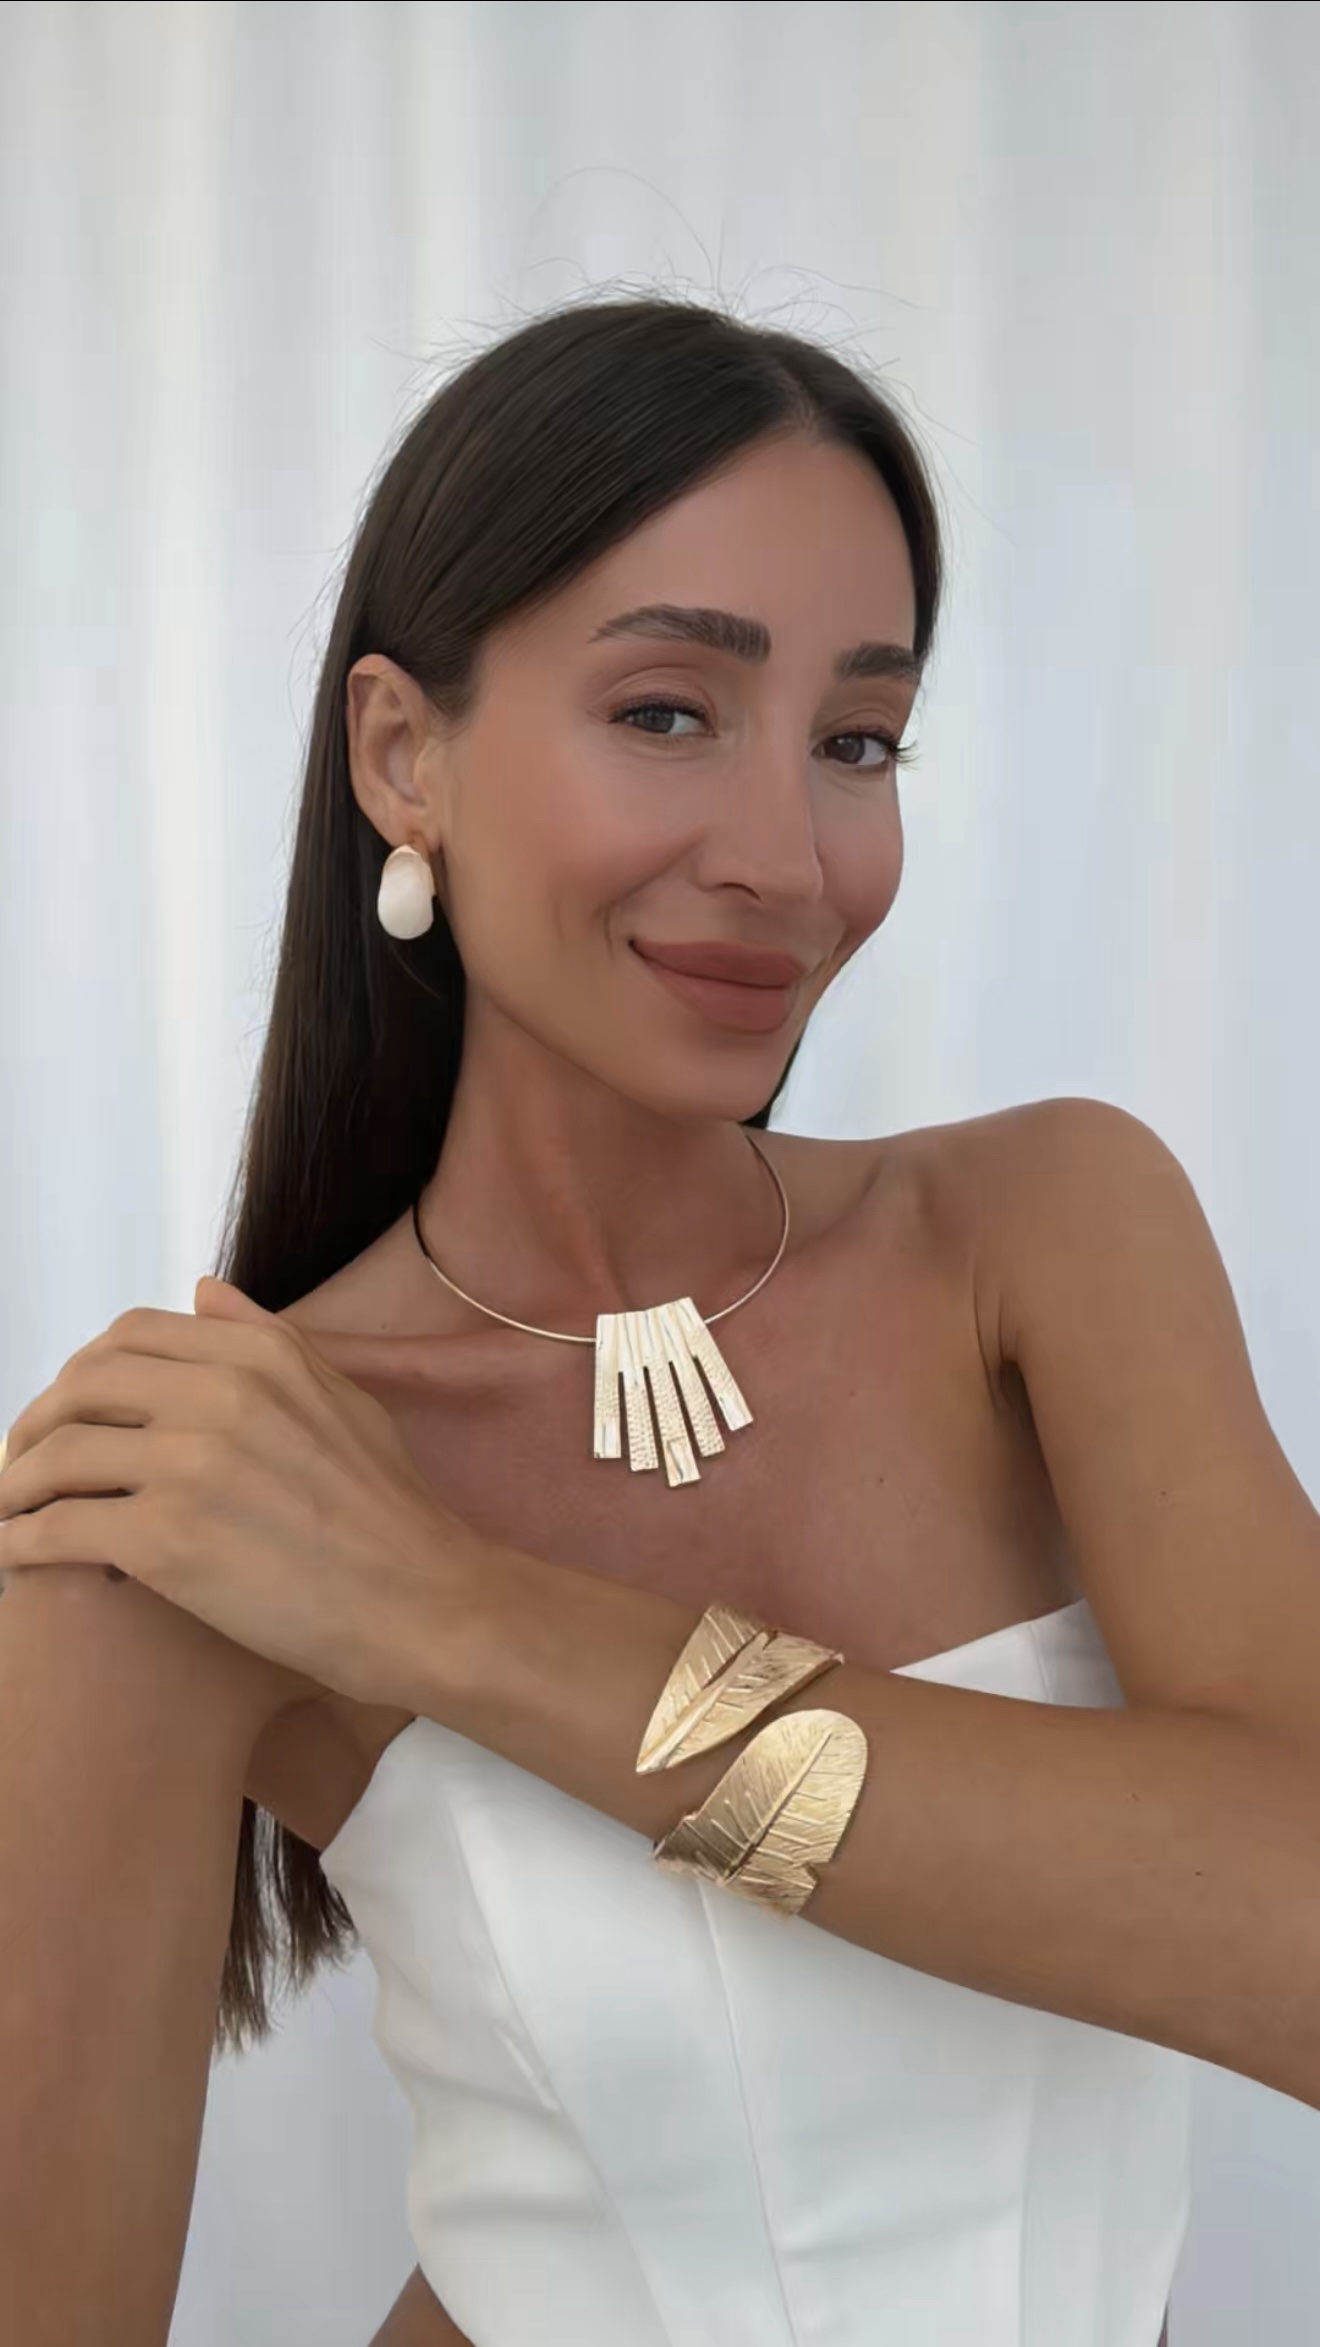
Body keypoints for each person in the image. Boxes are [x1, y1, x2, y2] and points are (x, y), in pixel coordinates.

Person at [13, 296, 1320, 2346]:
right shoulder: (202, 1504)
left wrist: (452, 1613)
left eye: (857, 740)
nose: (789, 860)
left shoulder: (1050, 1235)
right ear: (404, 756)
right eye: (665, 711)